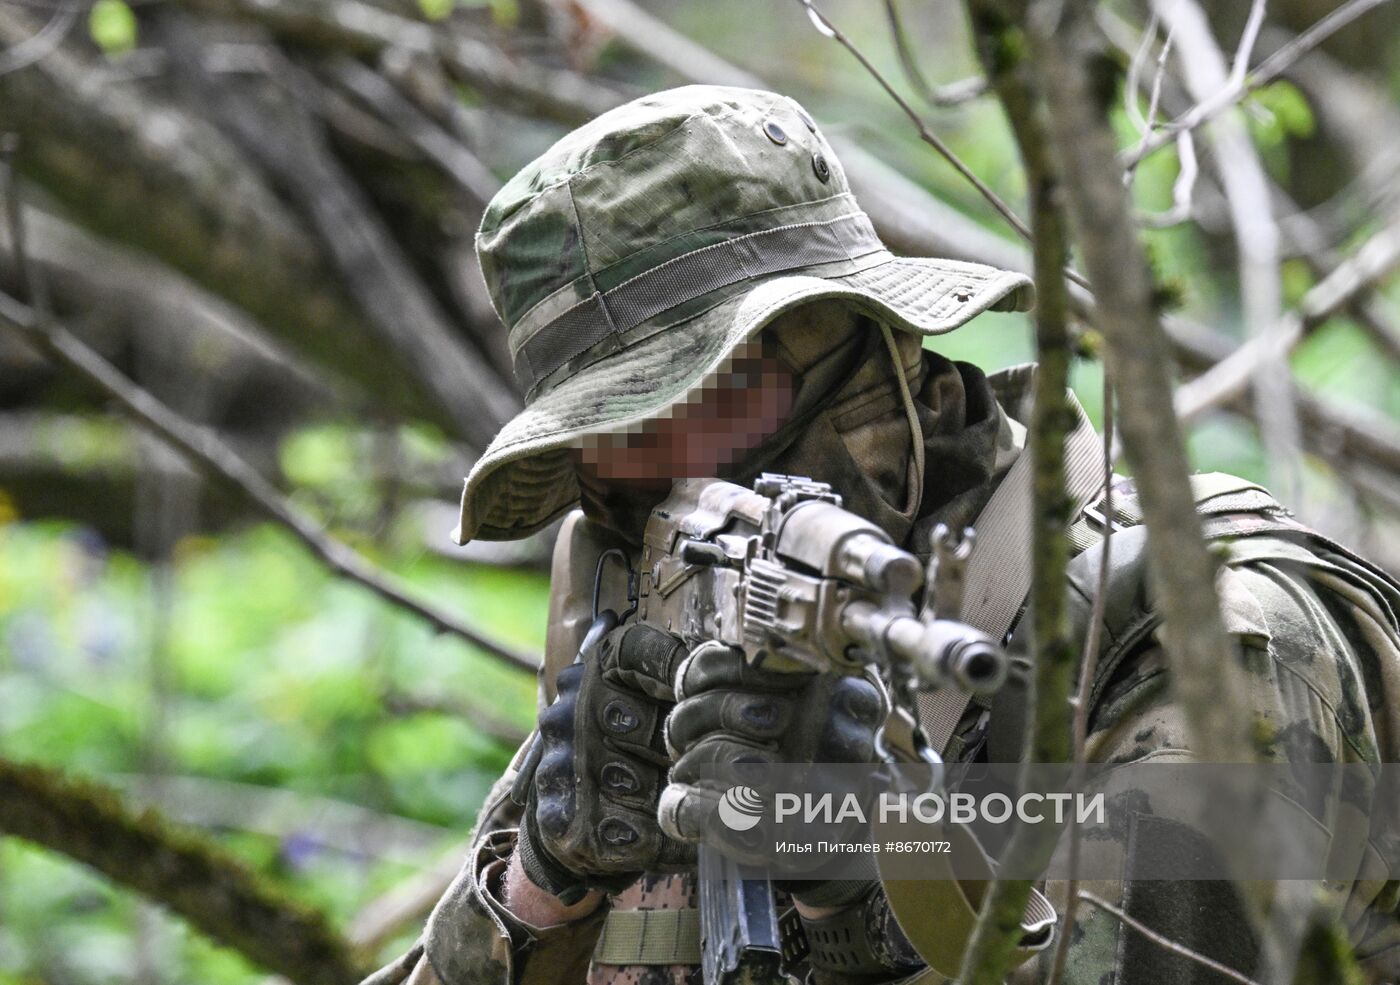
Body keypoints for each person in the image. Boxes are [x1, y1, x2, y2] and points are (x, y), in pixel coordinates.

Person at [373, 86, 1400, 985]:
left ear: (876, 349)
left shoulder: (1193, 647)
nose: (670, 482)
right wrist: (535, 891)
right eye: (615, 438)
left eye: (710, 398)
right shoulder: (670, 608)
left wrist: (870, 895)